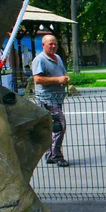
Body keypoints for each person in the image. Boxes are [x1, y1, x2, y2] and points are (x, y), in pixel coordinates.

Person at [31, 34, 70, 167]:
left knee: (51, 127)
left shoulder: (57, 58)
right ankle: (56, 155)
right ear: (43, 45)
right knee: (60, 126)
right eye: (50, 44)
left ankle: (49, 155)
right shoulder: (40, 60)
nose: (53, 46)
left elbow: (63, 73)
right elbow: (37, 79)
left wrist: (65, 78)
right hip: (47, 98)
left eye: (55, 44)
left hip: (58, 98)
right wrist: (57, 80)